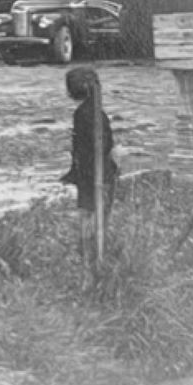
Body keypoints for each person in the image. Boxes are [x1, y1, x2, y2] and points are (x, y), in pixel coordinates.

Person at [60, 66, 119, 270]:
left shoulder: (82, 114)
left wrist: (77, 172)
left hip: (90, 174)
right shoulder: (98, 112)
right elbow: (105, 144)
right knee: (100, 215)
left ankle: (90, 259)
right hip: (103, 172)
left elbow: (88, 148)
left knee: (88, 214)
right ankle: (96, 257)